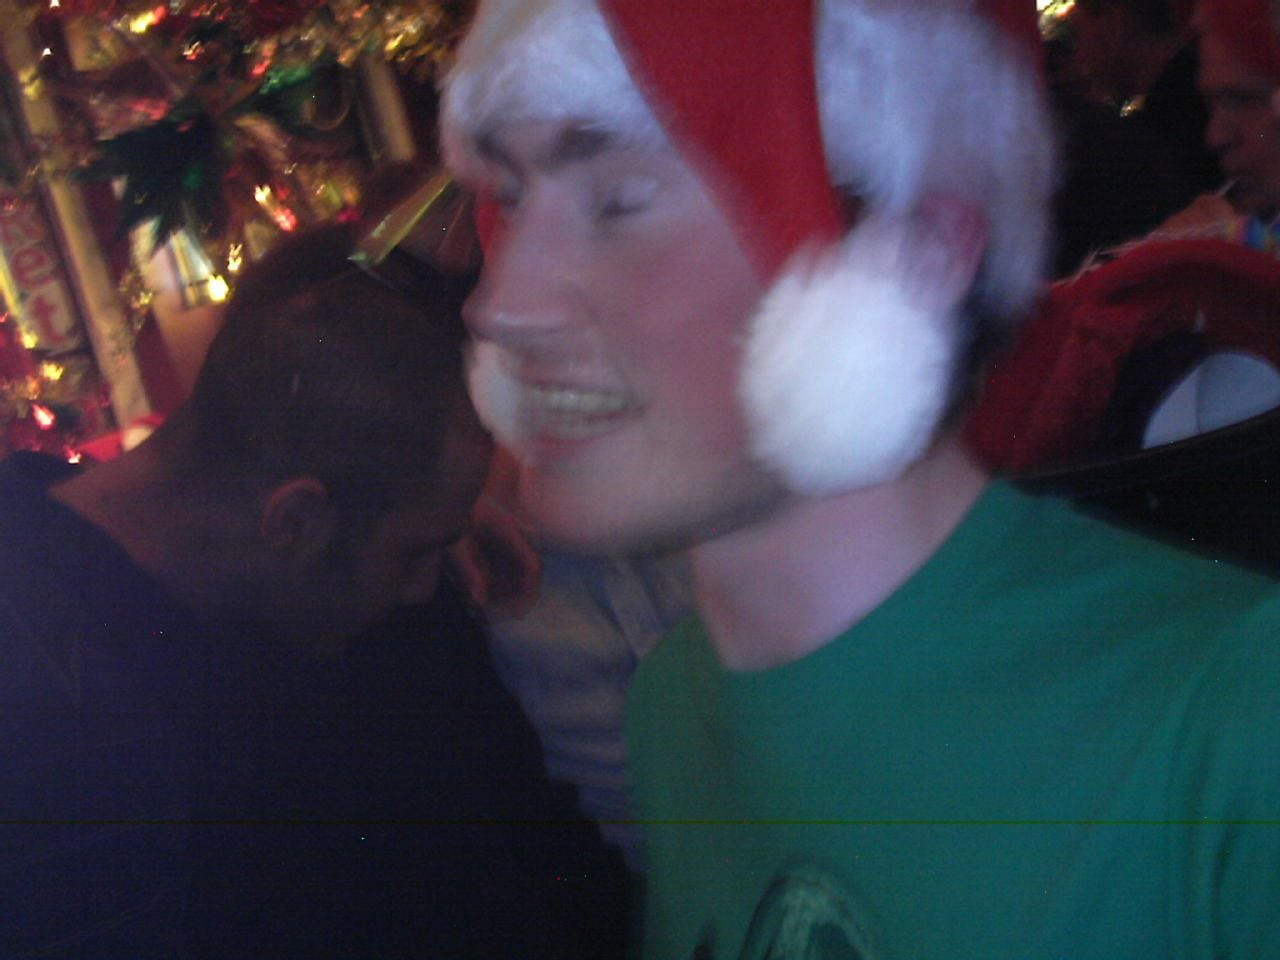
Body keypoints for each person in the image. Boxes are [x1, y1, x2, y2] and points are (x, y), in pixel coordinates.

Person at [438, 1, 1280, 957]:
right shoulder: (674, 704)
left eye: (619, 202)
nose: (500, 306)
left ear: (921, 248)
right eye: (509, 196)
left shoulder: (1231, 724)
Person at [0, 222, 629, 958]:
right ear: (295, 520)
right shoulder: (58, 720)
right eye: (413, 555)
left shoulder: (88, 545)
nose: (428, 586)